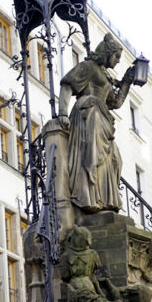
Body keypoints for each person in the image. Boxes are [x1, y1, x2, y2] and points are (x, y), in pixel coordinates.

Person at [59, 33, 139, 213]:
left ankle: (104, 199)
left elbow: (115, 103)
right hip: (89, 113)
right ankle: (88, 197)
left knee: (115, 159)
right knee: (92, 153)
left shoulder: (106, 75)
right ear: (107, 53)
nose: (118, 60)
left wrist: (126, 82)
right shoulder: (89, 67)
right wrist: (62, 113)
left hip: (102, 117)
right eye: (116, 56)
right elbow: (67, 85)